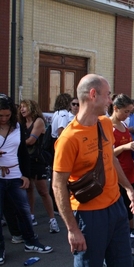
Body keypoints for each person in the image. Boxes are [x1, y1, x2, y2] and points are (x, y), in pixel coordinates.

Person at [52, 74, 134, 266]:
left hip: (116, 207)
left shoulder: (106, 124)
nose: (110, 100)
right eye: (107, 95)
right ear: (93, 94)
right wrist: (72, 229)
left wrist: (128, 189)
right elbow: (58, 186)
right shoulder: (68, 138)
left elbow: (111, 160)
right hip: (89, 216)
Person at [0, 94, 53, 265]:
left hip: (16, 175)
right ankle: (0, 250)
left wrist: (25, 174)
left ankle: (31, 242)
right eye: (0, 115)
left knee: (24, 212)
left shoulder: (17, 127)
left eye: (7, 115)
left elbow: (23, 153)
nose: (4, 118)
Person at [18, 99, 60, 233]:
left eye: (25, 107)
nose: (22, 109)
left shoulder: (39, 121)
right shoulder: (22, 123)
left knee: (42, 190)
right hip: (26, 159)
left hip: (37, 159)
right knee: (28, 189)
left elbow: (31, 140)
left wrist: (14, 145)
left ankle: (52, 220)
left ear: (32, 107)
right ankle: (31, 216)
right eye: (21, 107)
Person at [110, 94, 134, 229]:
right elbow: (108, 154)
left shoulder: (123, 124)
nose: (128, 115)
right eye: (126, 112)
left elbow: (129, 146)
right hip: (117, 176)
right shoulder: (108, 126)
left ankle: (130, 239)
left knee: (130, 211)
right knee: (117, 212)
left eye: (130, 112)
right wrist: (125, 147)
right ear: (116, 108)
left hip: (130, 172)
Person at [49, 93, 72, 216]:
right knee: (61, 176)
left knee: (56, 175)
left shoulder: (56, 114)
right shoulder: (63, 114)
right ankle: (58, 205)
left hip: (54, 143)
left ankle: (55, 204)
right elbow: (61, 131)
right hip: (59, 144)